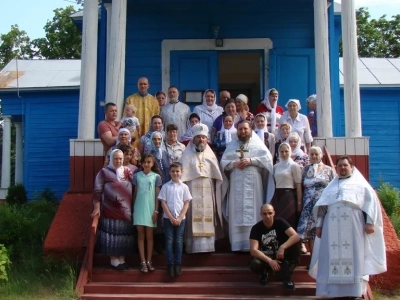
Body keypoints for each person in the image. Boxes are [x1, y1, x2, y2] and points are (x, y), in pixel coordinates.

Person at [309, 155, 387, 299]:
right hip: (331, 226)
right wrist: (319, 226)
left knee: (355, 255)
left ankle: (353, 292)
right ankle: (331, 291)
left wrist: (370, 222)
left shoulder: (361, 184)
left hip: (353, 225)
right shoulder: (330, 187)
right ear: (336, 168)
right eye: (340, 166)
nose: (342, 168)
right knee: (329, 257)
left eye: (345, 165)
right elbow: (322, 208)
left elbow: (371, 203)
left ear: (351, 167)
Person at [220, 120, 274, 251]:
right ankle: (238, 245)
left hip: (254, 182)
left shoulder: (258, 144)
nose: (243, 131)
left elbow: (268, 160)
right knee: (236, 210)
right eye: (240, 129)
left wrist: (252, 160)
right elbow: (222, 163)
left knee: (255, 210)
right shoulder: (232, 145)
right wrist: (234, 164)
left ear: (251, 129)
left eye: (245, 129)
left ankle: (254, 245)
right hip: (236, 181)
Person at [179, 123, 224, 253]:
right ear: (193, 139)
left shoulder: (211, 155)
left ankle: (208, 246)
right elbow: (182, 177)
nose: (201, 140)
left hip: (208, 189)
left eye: (203, 137)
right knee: (193, 214)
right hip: (192, 189)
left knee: (208, 214)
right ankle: (193, 247)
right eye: (198, 137)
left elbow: (217, 177)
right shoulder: (186, 155)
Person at [91, 149, 134, 271]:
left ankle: (122, 259)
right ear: (111, 158)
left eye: (120, 158)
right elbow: (97, 190)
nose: (119, 161)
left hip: (126, 210)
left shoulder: (128, 171)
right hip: (110, 210)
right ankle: (114, 260)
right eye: (116, 158)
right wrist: (96, 206)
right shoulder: (104, 172)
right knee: (112, 234)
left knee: (124, 235)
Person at [249, 204, 301, 290]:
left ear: (274, 213)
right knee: (254, 263)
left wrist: (282, 247)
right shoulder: (256, 228)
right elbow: (253, 250)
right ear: (261, 214)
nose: (268, 216)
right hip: (266, 256)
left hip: (281, 255)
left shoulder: (280, 222)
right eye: (265, 214)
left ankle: (286, 278)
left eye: (270, 213)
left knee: (296, 248)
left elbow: (296, 236)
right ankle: (264, 273)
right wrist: (269, 261)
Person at [297, 146, 334, 257]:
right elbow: (301, 187)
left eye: (316, 154)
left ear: (321, 155)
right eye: (311, 154)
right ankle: (313, 261)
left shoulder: (328, 169)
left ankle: (323, 260)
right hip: (308, 206)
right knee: (311, 233)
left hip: (322, 206)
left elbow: (333, 187)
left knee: (321, 230)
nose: (314, 156)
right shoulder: (305, 169)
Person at [159, 162, 192, 278]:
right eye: (173, 171)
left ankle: (178, 263)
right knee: (169, 241)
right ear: (169, 172)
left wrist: (179, 217)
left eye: (177, 171)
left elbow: (186, 203)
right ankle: (170, 263)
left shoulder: (184, 187)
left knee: (178, 241)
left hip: (181, 219)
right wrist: (171, 217)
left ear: (181, 172)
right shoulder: (166, 186)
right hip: (168, 219)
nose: (175, 173)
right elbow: (163, 202)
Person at [132, 154, 163, 273]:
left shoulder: (156, 177)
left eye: (149, 162)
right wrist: (133, 209)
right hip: (139, 208)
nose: (146, 164)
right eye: (144, 162)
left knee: (149, 236)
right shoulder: (137, 176)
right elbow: (134, 193)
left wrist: (156, 210)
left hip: (150, 209)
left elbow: (157, 196)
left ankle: (149, 260)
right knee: (140, 236)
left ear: (152, 163)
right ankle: (143, 261)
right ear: (141, 163)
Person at [270, 143, 302, 229]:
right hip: (277, 196)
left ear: (290, 152)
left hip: (289, 196)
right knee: (278, 221)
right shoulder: (276, 167)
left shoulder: (294, 166)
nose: (284, 154)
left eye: (286, 151)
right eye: (282, 151)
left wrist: (299, 203)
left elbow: (298, 186)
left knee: (289, 222)